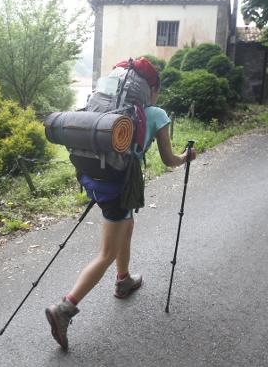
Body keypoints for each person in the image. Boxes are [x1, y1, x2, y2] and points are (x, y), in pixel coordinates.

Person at [44, 74, 196, 351]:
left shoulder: (106, 108)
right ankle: (64, 308)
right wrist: (188, 157)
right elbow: (170, 160)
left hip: (92, 179)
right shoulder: (156, 114)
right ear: (153, 89)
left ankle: (123, 280)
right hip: (118, 187)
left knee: (127, 224)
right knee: (106, 253)